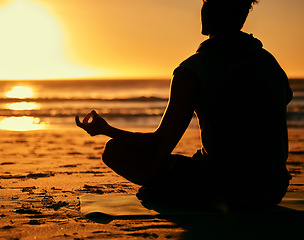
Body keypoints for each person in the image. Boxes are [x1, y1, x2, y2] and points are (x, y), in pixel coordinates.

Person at [76, 0, 293, 211]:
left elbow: (159, 146)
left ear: (215, 10)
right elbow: (284, 99)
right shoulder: (269, 62)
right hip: (271, 189)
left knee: (114, 151)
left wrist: (106, 129)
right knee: (194, 162)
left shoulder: (192, 70)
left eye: (208, 1)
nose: (203, 7)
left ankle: (181, 195)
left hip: (226, 189)